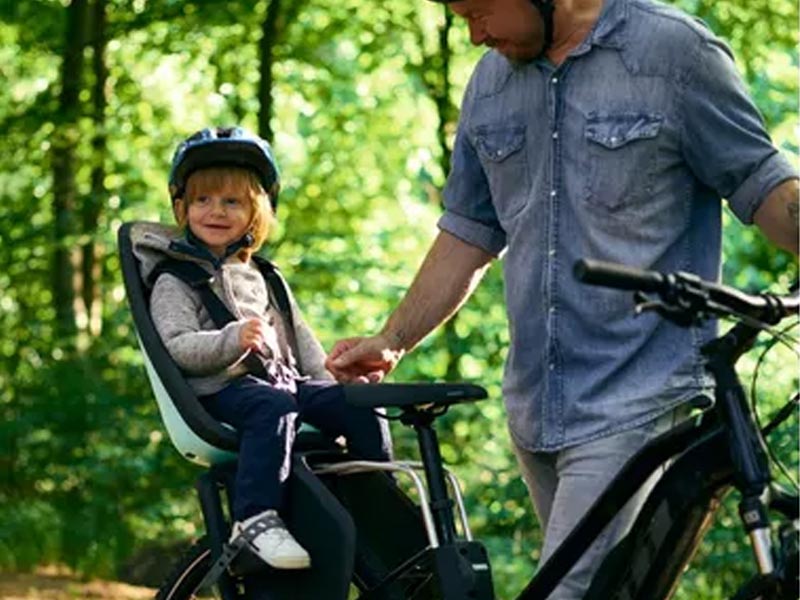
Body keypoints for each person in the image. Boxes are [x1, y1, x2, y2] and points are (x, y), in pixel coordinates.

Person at [326, 0, 798, 597]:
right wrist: (394, 338)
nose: (473, 36)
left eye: (478, 12)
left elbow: (762, 184)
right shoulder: (490, 83)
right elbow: (469, 231)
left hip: (636, 394)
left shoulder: (675, 53)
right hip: (535, 405)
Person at [132, 126, 392, 571]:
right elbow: (176, 346)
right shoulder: (175, 280)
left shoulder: (265, 277)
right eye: (202, 199)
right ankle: (254, 521)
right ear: (182, 207)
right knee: (272, 407)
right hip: (223, 390)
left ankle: (377, 502)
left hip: (284, 383)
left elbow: (303, 344)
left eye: (232, 201)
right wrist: (232, 340)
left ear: (256, 212)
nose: (216, 211)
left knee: (361, 405)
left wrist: (337, 380)